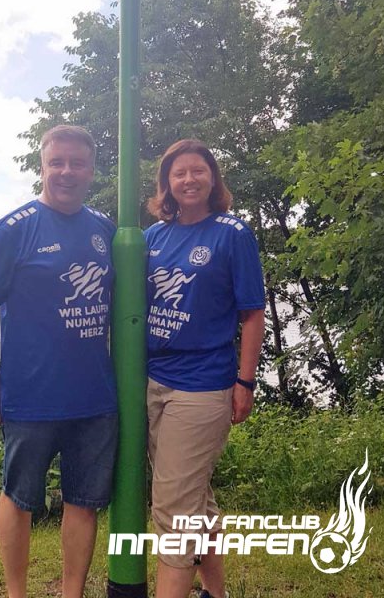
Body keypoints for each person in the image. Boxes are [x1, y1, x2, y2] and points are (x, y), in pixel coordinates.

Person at [0, 125, 118, 598]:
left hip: (94, 398)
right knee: (19, 497)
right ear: (43, 167)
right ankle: (17, 593)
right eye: (57, 163)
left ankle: (72, 593)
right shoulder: (15, 229)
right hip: (30, 397)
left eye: (77, 163)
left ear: (91, 170)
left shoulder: (105, 229)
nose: (67, 172)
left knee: (84, 501)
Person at [144, 139, 265, 598]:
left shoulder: (232, 234)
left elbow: (252, 314)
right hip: (153, 379)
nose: (189, 179)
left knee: (174, 512)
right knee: (195, 499)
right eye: (179, 173)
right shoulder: (154, 237)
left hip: (201, 386)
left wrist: (245, 381)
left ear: (213, 178)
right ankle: (215, 594)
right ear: (167, 183)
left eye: (198, 170)